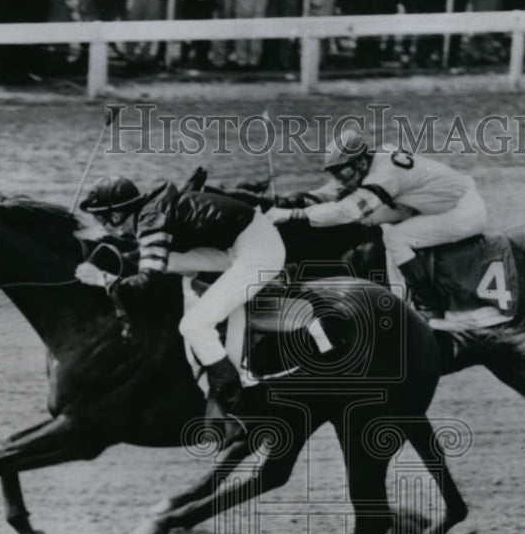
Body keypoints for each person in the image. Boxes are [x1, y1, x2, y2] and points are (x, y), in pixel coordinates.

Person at [74, 176, 286, 436]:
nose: (104, 227)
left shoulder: (152, 222)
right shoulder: (149, 212)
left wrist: (103, 280)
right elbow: (152, 261)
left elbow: (145, 284)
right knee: (168, 261)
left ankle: (239, 409)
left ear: (117, 215)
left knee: (194, 326)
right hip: (240, 241)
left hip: (258, 251)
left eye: (102, 219)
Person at [266, 129, 488, 317]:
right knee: (371, 222)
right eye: (335, 173)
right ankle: (400, 292)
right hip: (429, 203)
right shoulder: (377, 156)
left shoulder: (384, 175)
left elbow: (349, 210)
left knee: (395, 237)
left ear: (361, 163)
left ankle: (427, 304)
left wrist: (294, 215)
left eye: (342, 171)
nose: (340, 179)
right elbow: (334, 191)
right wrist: (301, 199)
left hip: (463, 210)